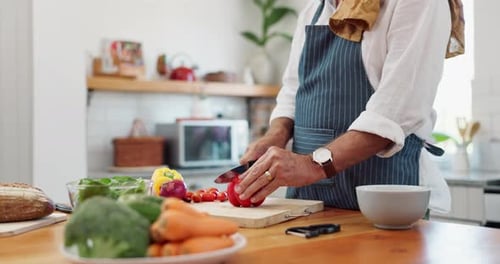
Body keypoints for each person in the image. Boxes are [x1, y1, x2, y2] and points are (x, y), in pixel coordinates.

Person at [235, 0, 463, 212]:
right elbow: (291, 91)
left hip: (387, 210)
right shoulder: (314, 10)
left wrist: (310, 166)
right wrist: (275, 135)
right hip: (307, 205)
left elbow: (393, 114)